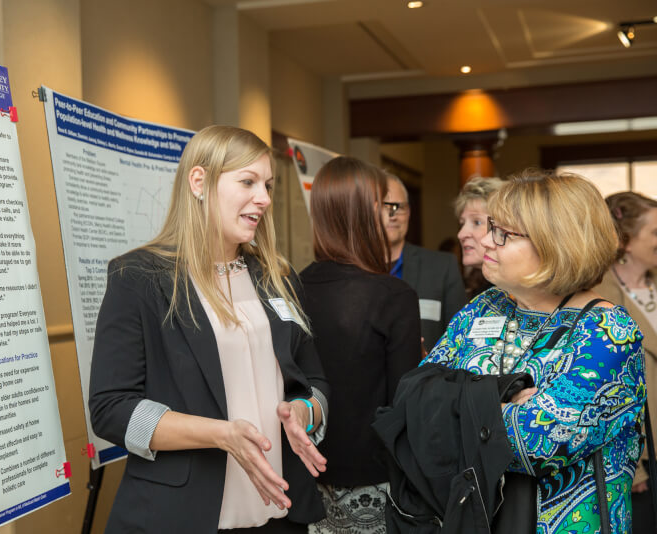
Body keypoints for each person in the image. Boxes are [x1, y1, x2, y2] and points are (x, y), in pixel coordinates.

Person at [89, 125, 330, 533]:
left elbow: (314, 380)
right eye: (248, 181)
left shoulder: (277, 278)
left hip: (280, 513)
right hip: (182, 514)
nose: (265, 199)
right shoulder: (140, 278)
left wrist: (305, 411)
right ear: (199, 181)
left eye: (268, 185)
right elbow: (111, 409)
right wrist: (220, 434)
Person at [423, 169, 646, 533]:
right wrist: (503, 406)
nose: (486, 242)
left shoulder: (608, 331)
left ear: (557, 243)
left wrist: (460, 404)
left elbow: (538, 442)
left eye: (503, 234)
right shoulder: (485, 306)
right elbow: (413, 402)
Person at [300, 157, 422, 533]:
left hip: (306, 475)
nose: (389, 214)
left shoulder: (291, 286)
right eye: (383, 205)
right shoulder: (393, 295)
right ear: (368, 212)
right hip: (375, 481)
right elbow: (403, 407)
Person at [594, 191, 657, 534]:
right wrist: (634, 468)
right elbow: (605, 384)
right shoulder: (600, 293)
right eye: (656, 232)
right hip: (643, 453)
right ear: (628, 240)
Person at [382, 175, 465, 351]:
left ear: (409, 212)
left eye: (399, 207)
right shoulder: (352, 270)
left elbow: (461, 339)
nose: (393, 215)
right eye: (384, 206)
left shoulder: (442, 267)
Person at [453, 176, 504, 300]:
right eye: (462, 223)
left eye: (476, 222)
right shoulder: (477, 289)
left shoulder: (522, 294)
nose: (461, 234)